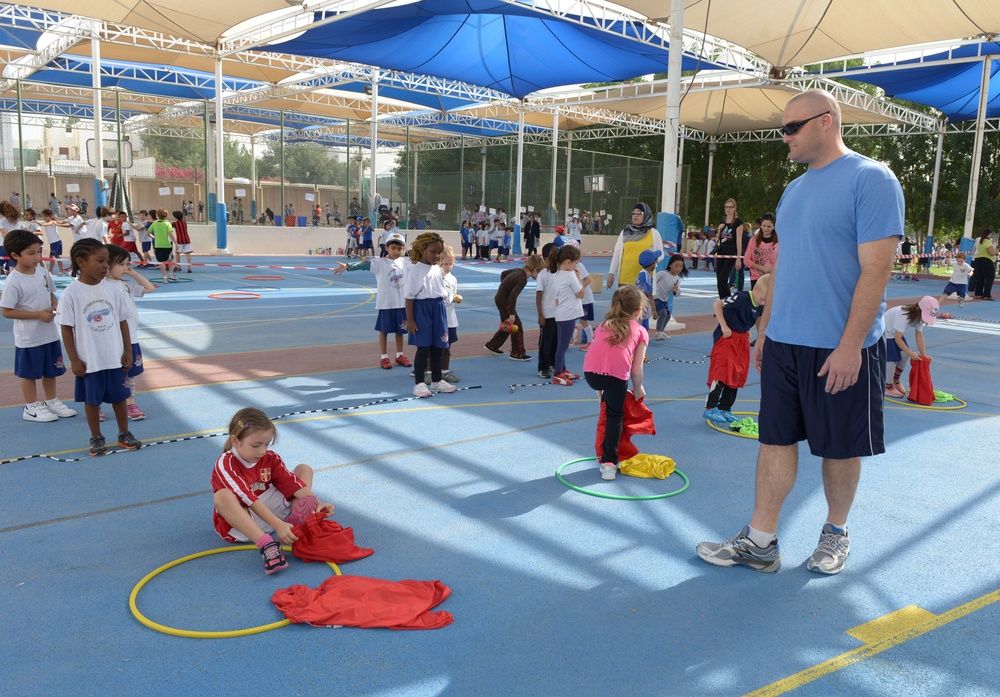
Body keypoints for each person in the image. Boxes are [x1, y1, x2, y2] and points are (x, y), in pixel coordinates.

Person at [696, 88, 904, 575]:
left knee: (839, 446)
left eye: (792, 127)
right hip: (786, 341)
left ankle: (835, 533)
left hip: (840, 345)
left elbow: (876, 271)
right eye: (782, 128)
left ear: (826, 122)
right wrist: (766, 328)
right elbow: (783, 264)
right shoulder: (793, 189)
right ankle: (761, 541)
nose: (783, 136)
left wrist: (851, 345)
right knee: (775, 439)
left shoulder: (872, 179)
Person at [211, 407, 335, 575]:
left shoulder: (270, 458)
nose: (262, 450)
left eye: (266, 444)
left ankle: (297, 523)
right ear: (236, 441)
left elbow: (292, 483)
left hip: (272, 516)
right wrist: (278, 525)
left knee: (303, 469)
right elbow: (248, 499)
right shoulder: (226, 464)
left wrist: (317, 502)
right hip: (243, 524)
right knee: (222, 496)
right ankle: (267, 544)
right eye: (256, 445)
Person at [56, 238, 143, 456]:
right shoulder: (71, 294)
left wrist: (128, 350)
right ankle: (96, 436)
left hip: (114, 356)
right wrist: (74, 359)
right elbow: (66, 328)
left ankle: (124, 433)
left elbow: (123, 320)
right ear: (81, 262)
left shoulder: (114, 289)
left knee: (120, 397)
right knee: (92, 400)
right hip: (89, 360)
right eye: (100, 261)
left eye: (106, 261)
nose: (105, 266)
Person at [0, 230, 77, 422]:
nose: (37, 257)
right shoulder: (13, 281)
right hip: (29, 338)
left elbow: (51, 293)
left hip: (49, 334)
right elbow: (6, 311)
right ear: (15, 256)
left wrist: (53, 305)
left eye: (38, 251)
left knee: (51, 370)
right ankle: (31, 407)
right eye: (31, 253)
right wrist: (37, 315)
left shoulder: (43, 272)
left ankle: (51, 401)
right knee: (29, 373)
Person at [583, 285, 649, 481]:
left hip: (590, 375)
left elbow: (600, 350)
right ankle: (609, 462)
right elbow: (636, 370)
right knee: (615, 416)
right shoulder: (640, 330)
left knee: (608, 392)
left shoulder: (604, 324)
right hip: (614, 378)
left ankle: (602, 394)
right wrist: (637, 388)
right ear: (638, 311)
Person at [333, 231, 412, 371]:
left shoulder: (406, 263)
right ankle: (384, 357)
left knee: (400, 331)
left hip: (401, 304)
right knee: (384, 331)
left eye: (399, 248)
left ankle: (399, 355)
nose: (396, 251)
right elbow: (363, 265)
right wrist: (348, 266)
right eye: (393, 248)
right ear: (386, 248)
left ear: (404, 249)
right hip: (386, 304)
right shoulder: (379, 263)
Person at [703, 274, 770, 425]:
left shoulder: (760, 304)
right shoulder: (741, 297)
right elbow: (717, 304)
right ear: (756, 288)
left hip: (740, 341)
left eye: (767, 300)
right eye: (763, 298)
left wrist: (749, 332)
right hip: (726, 339)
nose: (763, 302)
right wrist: (724, 326)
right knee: (721, 372)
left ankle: (725, 407)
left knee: (736, 373)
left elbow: (757, 321)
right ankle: (710, 407)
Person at [105, 244, 156, 420]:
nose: (125, 268)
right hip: (111, 340)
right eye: (121, 264)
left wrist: (132, 273)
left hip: (131, 339)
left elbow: (149, 288)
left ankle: (130, 404)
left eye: (127, 264)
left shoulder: (127, 285)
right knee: (108, 373)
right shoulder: (101, 286)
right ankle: (97, 404)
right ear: (107, 264)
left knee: (130, 373)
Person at [404, 232, 457, 398]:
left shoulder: (437, 269)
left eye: (439, 252)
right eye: (433, 252)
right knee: (423, 349)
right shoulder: (415, 271)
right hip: (423, 309)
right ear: (422, 250)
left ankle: (436, 381)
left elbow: (441, 291)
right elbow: (409, 297)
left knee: (438, 347)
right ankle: (419, 384)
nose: (436, 255)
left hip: (438, 309)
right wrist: (411, 320)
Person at [484, 254, 544, 360]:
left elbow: (503, 274)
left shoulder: (518, 270)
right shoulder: (523, 279)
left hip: (500, 299)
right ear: (535, 269)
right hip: (504, 301)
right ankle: (517, 352)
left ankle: (492, 345)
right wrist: (512, 314)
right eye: (540, 273)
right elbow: (513, 296)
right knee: (516, 326)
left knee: (508, 325)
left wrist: (504, 287)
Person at [882, 297, 937, 398]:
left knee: (904, 355)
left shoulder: (919, 316)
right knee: (892, 360)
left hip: (894, 334)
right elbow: (898, 339)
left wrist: (924, 355)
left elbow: (919, 336)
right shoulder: (904, 314)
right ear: (918, 309)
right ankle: (887, 386)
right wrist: (911, 353)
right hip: (885, 333)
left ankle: (896, 379)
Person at [548, 244, 586, 386]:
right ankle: (558, 373)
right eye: (576, 263)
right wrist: (579, 277)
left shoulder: (557, 274)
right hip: (567, 314)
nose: (577, 266)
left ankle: (562, 369)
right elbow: (581, 293)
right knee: (563, 346)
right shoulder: (570, 275)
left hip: (562, 313)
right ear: (568, 262)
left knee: (562, 344)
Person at [606, 203, 663, 289]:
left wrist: (654, 259)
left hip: (645, 281)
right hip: (625, 279)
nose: (635, 216)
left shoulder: (654, 233)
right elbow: (617, 254)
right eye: (634, 213)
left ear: (646, 215)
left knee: (643, 302)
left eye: (639, 213)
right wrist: (611, 274)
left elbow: (661, 253)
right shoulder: (625, 233)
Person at [535, 243, 559, 379]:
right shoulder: (543, 275)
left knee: (556, 341)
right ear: (545, 259)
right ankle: (542, 367)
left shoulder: (562, 272)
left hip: (559, 314)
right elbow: (539, 295)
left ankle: (553, 363)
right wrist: (540, 314)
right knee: (546, 342)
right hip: (547, 314)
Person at [439, 246, 462, 383]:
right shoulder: (436, 276)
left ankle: (445, 371)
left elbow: (452, 295)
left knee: (447, 347)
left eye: (451, 264)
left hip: (450, 317)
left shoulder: (453, 279)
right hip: (438, 318)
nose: (448, 267)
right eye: (445, 263)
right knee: (436, 347)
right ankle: (429, 370)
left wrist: (456, 297)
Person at [713, 199, 745, 299]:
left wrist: (738, 258)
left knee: (723, 279)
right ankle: (723, 302)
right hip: (721, 251)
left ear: (734, 208)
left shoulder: (738, 222)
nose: (728, 209)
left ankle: (728, 302)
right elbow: (717, 238)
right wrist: (719, 229)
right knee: (719, 280)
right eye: (726, 207)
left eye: (730, 207)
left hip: (731, 253)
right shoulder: (723, 220)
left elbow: (739, 241)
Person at [653, 254, 687, 340]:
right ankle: (658, 332)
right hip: (656, 297)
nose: (678, 269)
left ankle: (661, 331)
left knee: (668, 315)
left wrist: (675, 291)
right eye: (676, 266)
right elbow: (652, 282)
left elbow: (678, 292)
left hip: (664, 299)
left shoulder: (678, 278)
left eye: (681, 267)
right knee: (663, 312)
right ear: (670, 264)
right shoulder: (662, 274)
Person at [743, 212, 779, 290]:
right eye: (764, 226)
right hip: (756, 278)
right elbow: (746, 260)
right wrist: (762, 268)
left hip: (773, 278)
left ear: (774, 226)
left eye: (769, 226)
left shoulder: (779, 242)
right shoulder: (753, 240)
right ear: (761, 225)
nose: (766, 229)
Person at [634, 249, 661, 330]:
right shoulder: (645, 276)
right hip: (641, 306)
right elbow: (650, 295)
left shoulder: (644, 274)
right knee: (643, 328)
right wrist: (654, 311)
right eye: (656, 262)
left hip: (642, 306)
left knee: (643, 327)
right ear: (652, 263)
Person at [38, 208, 71, 275]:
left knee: (51, 257)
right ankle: (61, 270)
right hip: (53, 242)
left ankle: (50, 271)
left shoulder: (52, 222)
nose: (44, 218)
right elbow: (46, 223)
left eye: (45, 216)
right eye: (43, 216)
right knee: (57, 256)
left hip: (56, 242)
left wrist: (40, 224)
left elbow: (49, 224)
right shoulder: (47, 222)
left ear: (49, 216)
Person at [150, 209, 178, 283]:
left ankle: (164, 277)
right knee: (170, 259)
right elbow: (170, 234)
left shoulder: (154, 223)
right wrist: (176, 243)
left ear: (157, 215)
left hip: (158, 245)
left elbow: (148, 233)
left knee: (161, 262)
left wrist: (153, 237)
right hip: (167, 245)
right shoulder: (168, 224)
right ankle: (171, 274)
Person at [970, 228, 996, 300]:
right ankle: (987, 295)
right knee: (990, 277)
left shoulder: (980, 241)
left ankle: (978, 293)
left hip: (978, 259)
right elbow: (991, 252)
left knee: (981, 277)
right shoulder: (988, 241)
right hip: (986, 260)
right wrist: (996, 253)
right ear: (989, 234)